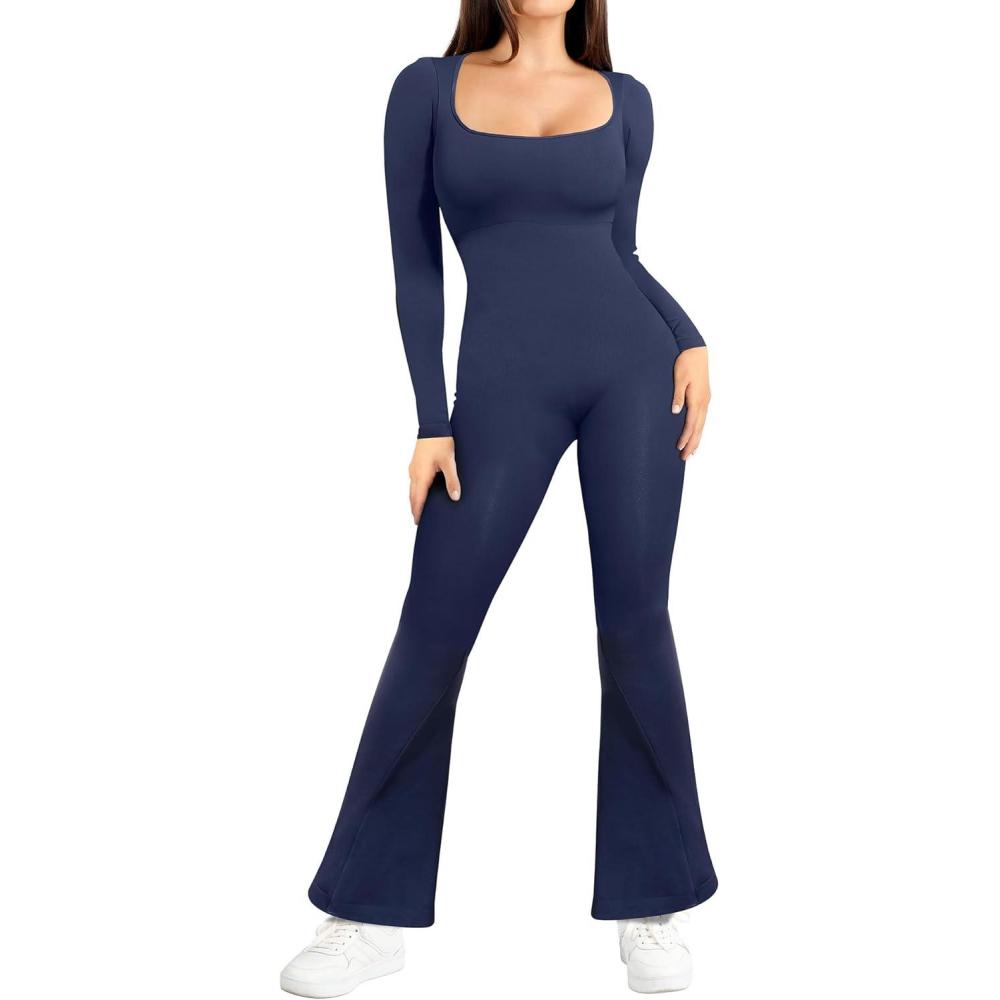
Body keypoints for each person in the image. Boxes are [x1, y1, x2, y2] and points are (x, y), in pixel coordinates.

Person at [281, 1, 717, 995]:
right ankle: (365, 913)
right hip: (499, 389)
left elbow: (622, 252)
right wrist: (430, 419)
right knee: (434, 628)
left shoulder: (628, 101)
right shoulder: (427, 90)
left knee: (635, 625)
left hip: (635, 373)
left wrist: (688, 336)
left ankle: (652, 902)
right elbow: (414, 263)